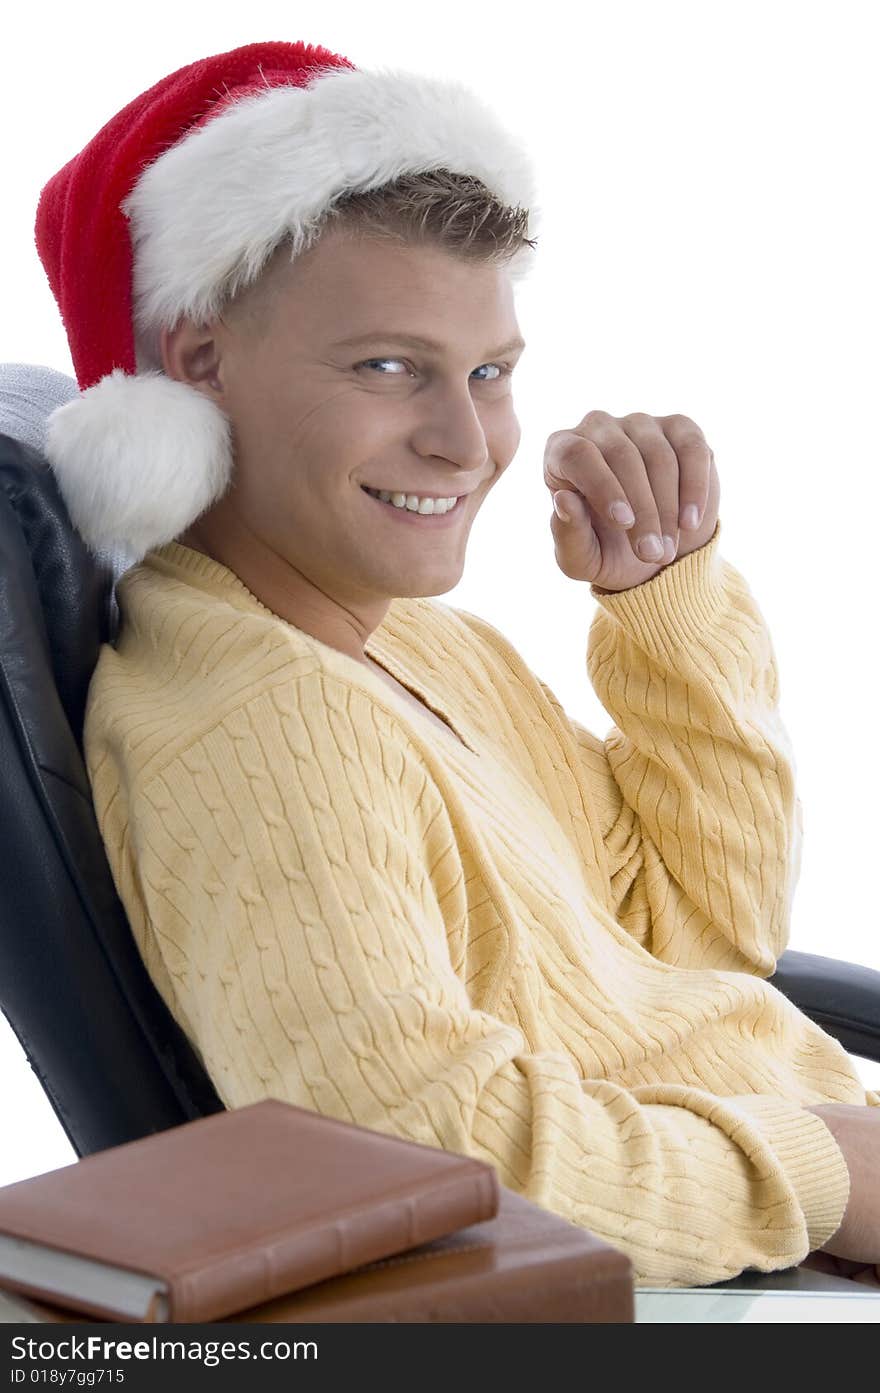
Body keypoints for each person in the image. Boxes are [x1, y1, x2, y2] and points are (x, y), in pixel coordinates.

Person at [33, 38, 878, 1289]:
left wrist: (661, 602)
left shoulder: (407, 639)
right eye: (388, 366)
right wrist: (825, 1175)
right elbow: (424, 1163)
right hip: (742, 1274)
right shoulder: (263, 734)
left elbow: (703, 936)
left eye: (488, 373)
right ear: (197, 361)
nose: (464, 441)